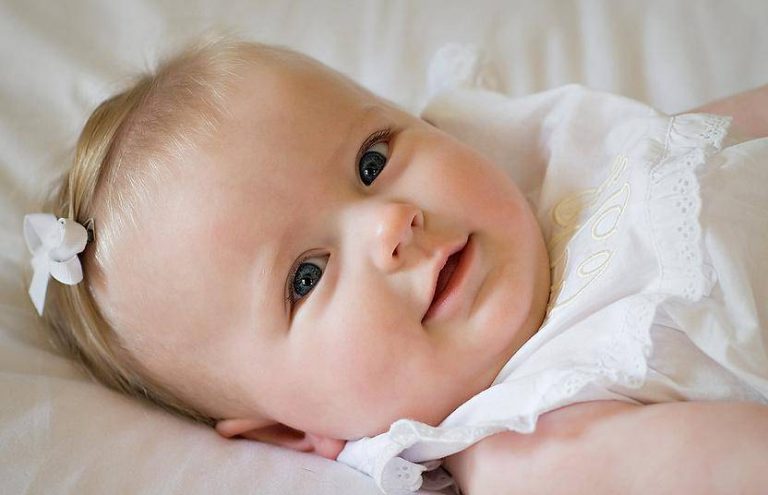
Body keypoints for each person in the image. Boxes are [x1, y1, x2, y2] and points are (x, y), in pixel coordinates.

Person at [23, 36, 768, 494]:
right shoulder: (530, 444)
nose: (389, 222)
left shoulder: (566, 159)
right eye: (306, 276)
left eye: (372, 161)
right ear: (287, 433)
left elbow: (707, 137)